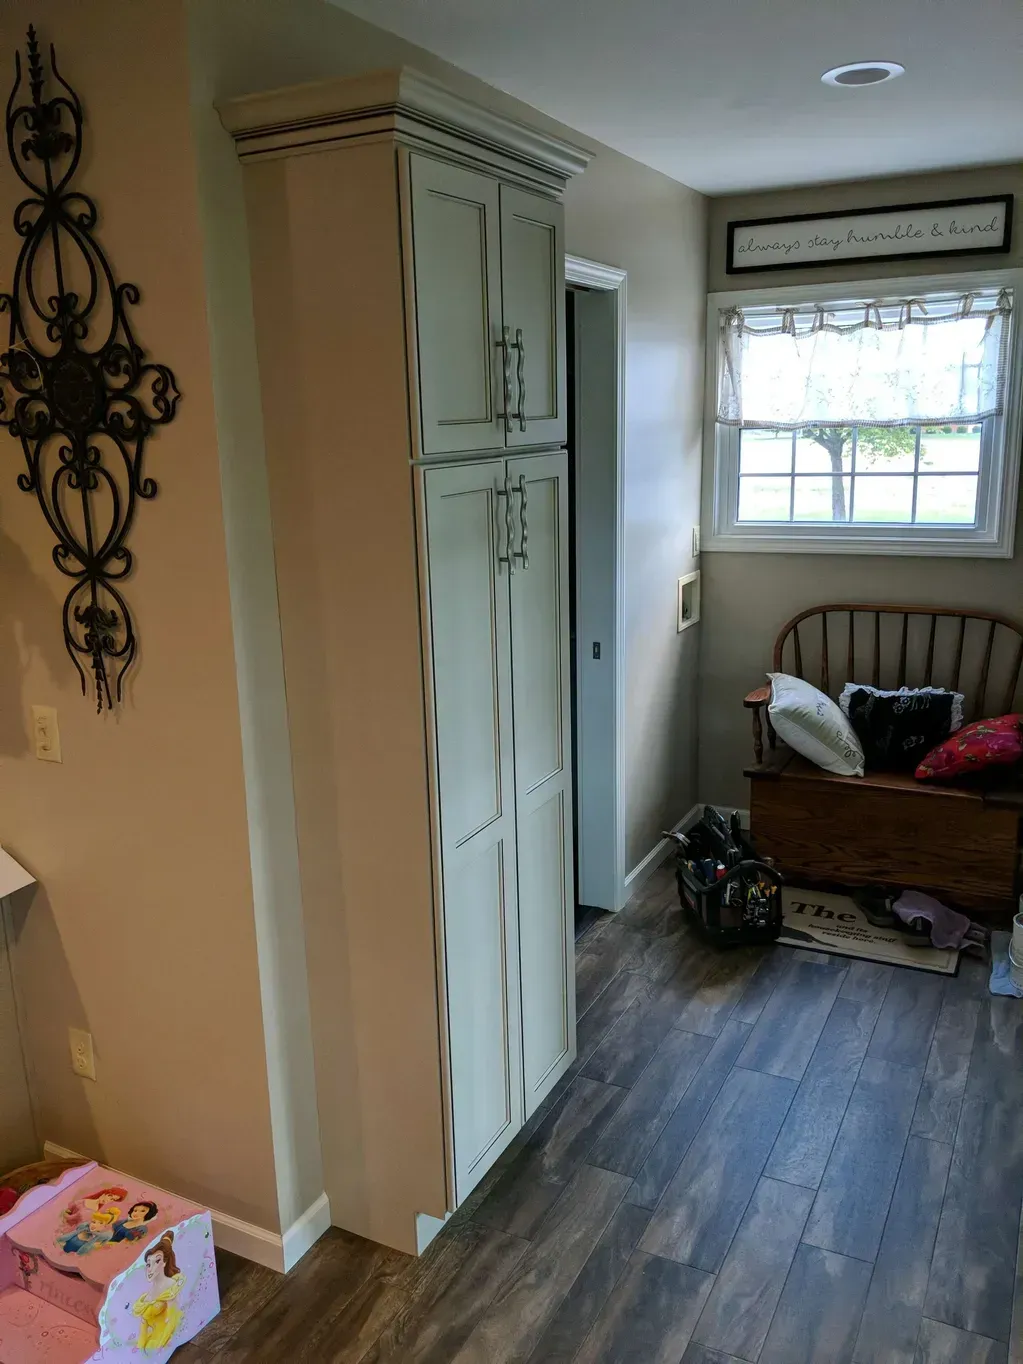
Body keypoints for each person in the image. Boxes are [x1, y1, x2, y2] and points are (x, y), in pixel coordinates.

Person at [132, 1232, 185, 1353]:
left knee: (150, 1348)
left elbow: (172, 1319)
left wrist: (160, 1347)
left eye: (157, 1261)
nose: (150, 1268)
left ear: (165, 1262)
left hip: (163, 1338)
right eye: (148, 1263)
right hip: (150, 1340)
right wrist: (139, 1349)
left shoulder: (170, 1286)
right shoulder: (146, 1297)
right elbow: (143, 1328)